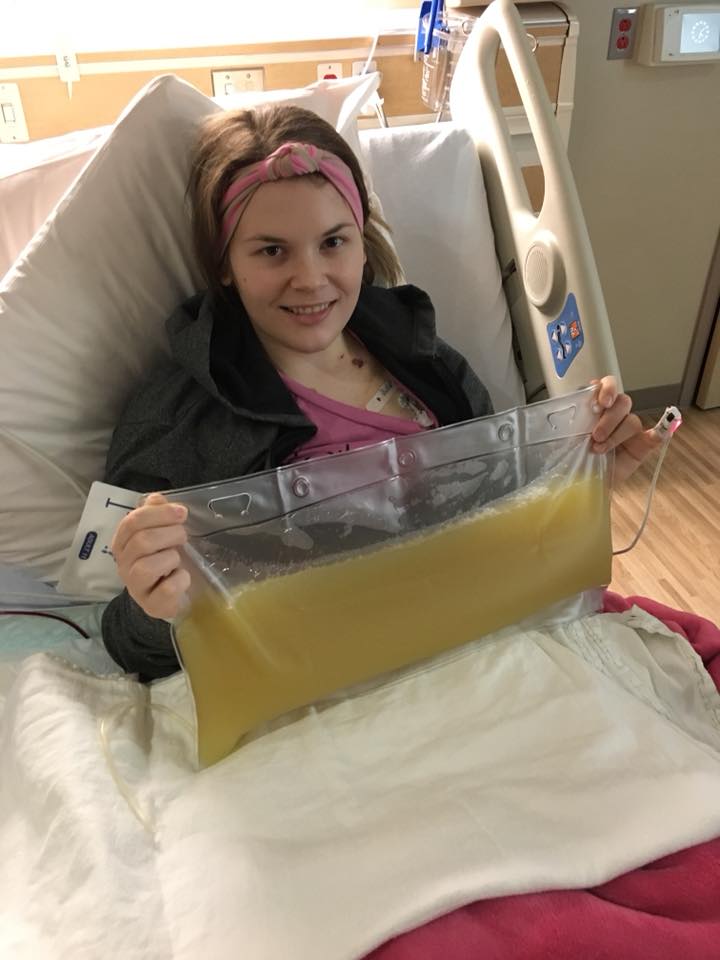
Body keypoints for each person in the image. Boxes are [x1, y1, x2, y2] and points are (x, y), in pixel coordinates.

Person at [102, 103, 660, 682]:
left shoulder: (430, 368)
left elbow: (509, 523)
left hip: (482, 652)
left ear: (363, 242)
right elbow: (120, 636)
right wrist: (155, 608)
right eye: (272, 250)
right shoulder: (175, 419)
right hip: (323, 695)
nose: (312, 278)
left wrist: (584, 480)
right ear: (222, 261)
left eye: (333, 242)